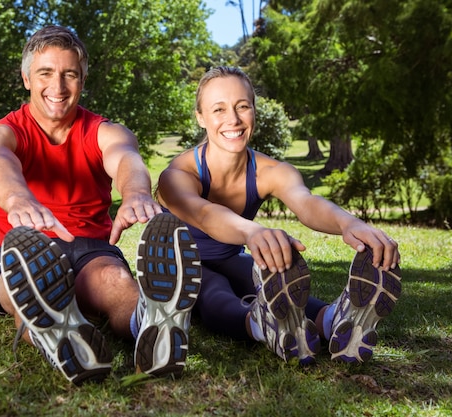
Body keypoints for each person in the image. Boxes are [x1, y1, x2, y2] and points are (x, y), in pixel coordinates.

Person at [0, 25, 201, 385]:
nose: (58, 87)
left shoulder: (104, 130)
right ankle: (61, 338)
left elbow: (125, 158)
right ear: (26, 77)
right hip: (27, 249)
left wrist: (137, 193)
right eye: (46, 73)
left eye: (70, 75)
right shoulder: (2, 133)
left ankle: (154, 325)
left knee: (115, 283)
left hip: (90, 250)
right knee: (19, 289)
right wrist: (17, 198)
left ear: (83, 78)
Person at [156, 66, 402, 365]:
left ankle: (333, 320)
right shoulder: (178, 174)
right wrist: (252, 232)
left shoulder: (271, 171)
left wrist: (347, 222)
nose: (233, 119)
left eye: (242, 106)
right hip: (181, 263)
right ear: (200, 117)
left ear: (254, 111)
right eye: (218, 109)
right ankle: (260, 324)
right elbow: (205, 214)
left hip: (229, 257)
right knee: (213, 289)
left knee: (259, 275)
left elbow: (306, 202)